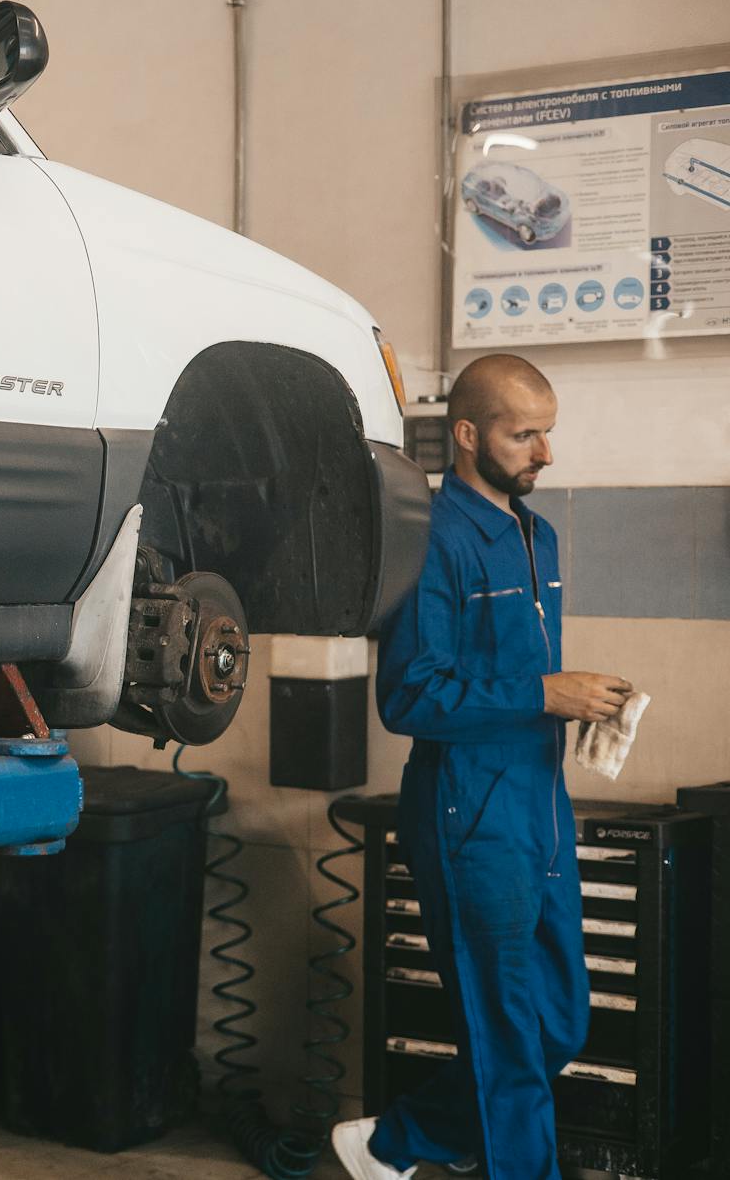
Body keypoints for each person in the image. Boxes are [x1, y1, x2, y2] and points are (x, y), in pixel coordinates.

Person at [332, 353, 631, 1180]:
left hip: (540, 803)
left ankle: (393, 1142)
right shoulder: (430, 542)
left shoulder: (541, 536)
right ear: (467, 435)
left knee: (558, 1025)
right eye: (524, 433)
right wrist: (545, 692)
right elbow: (409, 696)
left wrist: (582, 705)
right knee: (506, 1040)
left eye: (548, 432)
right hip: (470, 812)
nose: (545, 453)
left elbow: (522, 683)